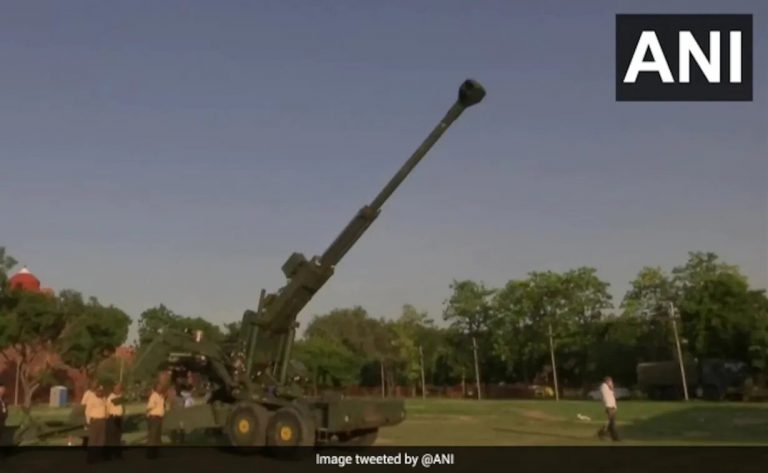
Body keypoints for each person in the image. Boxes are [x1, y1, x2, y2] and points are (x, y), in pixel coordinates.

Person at [84, 384, 108, 462]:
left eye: (101, 391)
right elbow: (87, 412)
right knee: (93, 440)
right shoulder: (92, 399)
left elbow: (105, 409)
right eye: (99, 391)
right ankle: (90, 458)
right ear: (96, 391)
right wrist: (88, 422)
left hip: (102, 421)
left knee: (101, 440)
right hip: (95, 421)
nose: (100, 392)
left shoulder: (104, 399)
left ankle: (98, 457)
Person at [146, 383, 166, 458]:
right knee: (152, 437)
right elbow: (149, 407)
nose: (160, 389)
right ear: (156, 388)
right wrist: (150, 415)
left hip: (159, 418)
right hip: (154, 417)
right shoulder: (154, 396)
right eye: (159, 387)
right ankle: (150, 454)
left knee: (157, 437)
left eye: (161, 387)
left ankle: (156, 453)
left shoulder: (160, 396)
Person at [597, 376, 620, 441]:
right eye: (610, 381)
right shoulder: (603, 386)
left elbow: (613, 397)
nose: (612, 383)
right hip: (609, 406)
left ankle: (601, 433)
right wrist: (611, 387)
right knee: (612, 422)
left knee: (610, 423)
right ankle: (615, 438)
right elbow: (607, 396)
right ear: (607, 381)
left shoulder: (608, 388)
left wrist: (615, 407)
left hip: (612, 406)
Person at [106, 383, 125, 459]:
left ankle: (117, 454)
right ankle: (109, 455)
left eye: (120, 388)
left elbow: (122, 408)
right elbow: (107, 409)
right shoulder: (111, 397)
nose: (119, 389)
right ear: (113, 388)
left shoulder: (120, 396)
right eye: (117, 388)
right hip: (112, 418)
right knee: (111, 437)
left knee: (118, 437)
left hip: (119, 418)